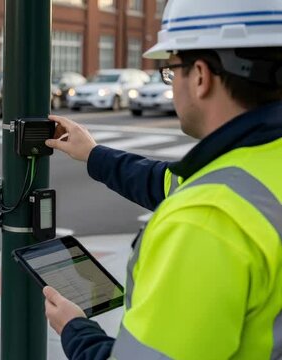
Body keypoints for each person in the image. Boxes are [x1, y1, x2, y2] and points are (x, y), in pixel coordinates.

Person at [41, 0, 282, 359]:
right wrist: (93, 153)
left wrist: (76, 331)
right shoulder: (258, 165)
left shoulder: (203, 221)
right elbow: (168, 181)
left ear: (200, 76)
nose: (170, 85)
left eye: (171, 70)